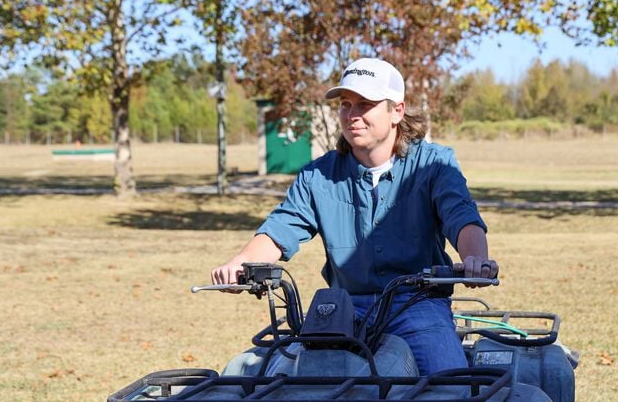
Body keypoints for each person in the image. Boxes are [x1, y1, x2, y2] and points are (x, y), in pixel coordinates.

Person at [211, 57, 498, 375]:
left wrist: (476, 259)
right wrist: (240, 263)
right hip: (344, 308)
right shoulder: (318, 175)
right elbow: (282, 227)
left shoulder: (434, 164)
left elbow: (460, 215)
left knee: (449, 389)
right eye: (346, 104)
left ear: (396, 111)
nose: (353, 115)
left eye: (366, 104)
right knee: (291, 387)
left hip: (417, 305)